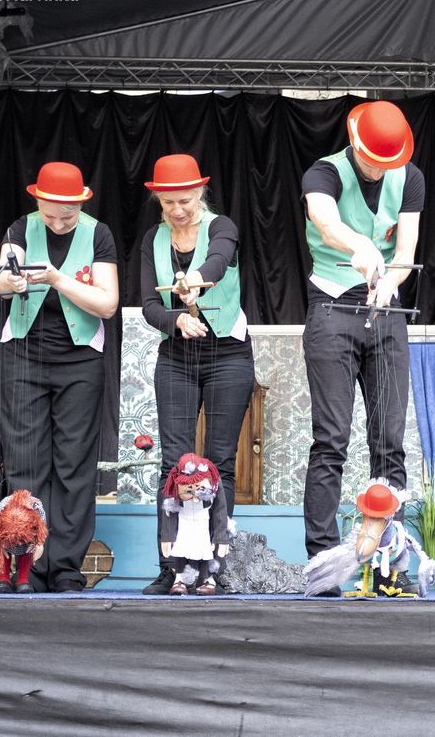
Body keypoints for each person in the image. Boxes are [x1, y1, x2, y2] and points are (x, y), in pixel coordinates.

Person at [300, 101, 423, 596]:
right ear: (354, 144)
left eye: (386, 163)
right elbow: (327, 224)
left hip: (386, 310)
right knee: (331, 439)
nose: (378, 170)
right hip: (332, 307)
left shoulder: (409, 178)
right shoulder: (324, 173)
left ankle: (392, 564)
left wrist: (389, 282)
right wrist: (361, 247)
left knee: (389, 439)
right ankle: (322, 563)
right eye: (371, 160)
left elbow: (406, 251)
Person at [0, 162, 120, 592]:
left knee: (73, 465)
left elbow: (107, 304)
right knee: (26, 462)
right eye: (50, 215)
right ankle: (23, 566)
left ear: (81, 204)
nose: (59, 223)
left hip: (79, 359)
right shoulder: (20, 228)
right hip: (24, 356)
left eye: (68, 215)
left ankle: (64, 567)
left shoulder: (98, 234)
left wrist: (58, 279)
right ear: (38, 202)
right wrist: (11, 281)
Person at [139, 153, 254, 595]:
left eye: (185, 201)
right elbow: (150, 305)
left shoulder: (221, 227)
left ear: (200, 194)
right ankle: (172, 568)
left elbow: (220, 260)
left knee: (219, 462)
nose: (178, 210)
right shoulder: (153, 240)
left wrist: (196, 281)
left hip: (228, 354)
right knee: (175, 464)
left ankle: (212, 568)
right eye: (169, 203)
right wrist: (176, 321)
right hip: (177, 356)